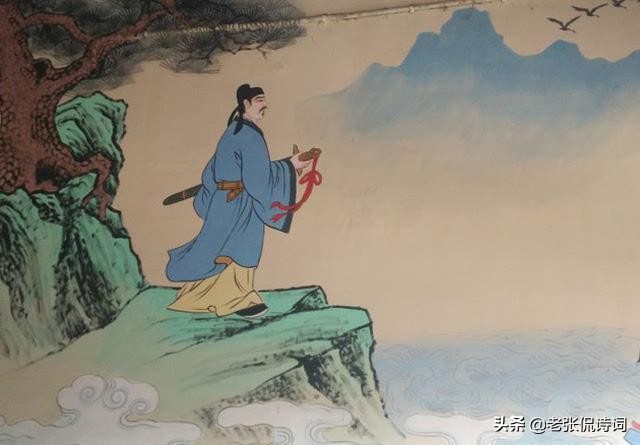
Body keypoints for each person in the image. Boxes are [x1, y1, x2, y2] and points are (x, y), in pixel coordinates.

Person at [165, 84, 311, 318]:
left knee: (220, 247)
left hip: (225, 202)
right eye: (260, 100)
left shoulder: (233, 132)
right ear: (246, 104)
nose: (265, 105)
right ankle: (238, 300)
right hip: (241, 205)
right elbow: (258, 179)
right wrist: (289, 166)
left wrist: (287, 164)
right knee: (239, 249)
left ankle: (200, 297)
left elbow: (211, 173)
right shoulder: (248, 136)